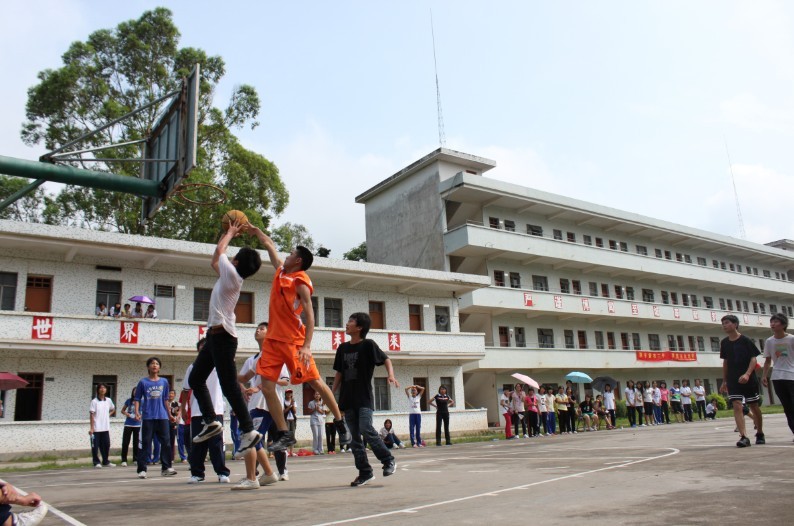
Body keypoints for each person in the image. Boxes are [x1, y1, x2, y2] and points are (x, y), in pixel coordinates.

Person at [245, 226, 352, 452]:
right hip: (273, 340)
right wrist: (256, 231)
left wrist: (307, 346)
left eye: (291, 253)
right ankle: (285, 433)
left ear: (298, 260)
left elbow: (310, 316)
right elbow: (270, 246)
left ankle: (340, 423)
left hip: (294, 340)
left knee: (314, 382)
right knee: (266, 386)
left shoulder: (300, 280)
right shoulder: (280, 272)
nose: (287, 255)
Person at [188, 220, 263, 454]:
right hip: (214, 338)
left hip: (223, 338)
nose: (228, 259)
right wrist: (226, 236)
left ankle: (249, 430)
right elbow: (215, 259)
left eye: (233, 258)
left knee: (230, 386)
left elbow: (220, 251)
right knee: (196, 380)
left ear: (236, 262)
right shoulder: (229, 275)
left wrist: (230, 232)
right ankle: (211, 421)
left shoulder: (231, 275)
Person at [331, 312, 399, 487]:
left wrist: (390, 375)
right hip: (347, 399)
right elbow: (339, 372)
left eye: (350, 321)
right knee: (354, 439)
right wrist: (332, 391)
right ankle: (365, 472)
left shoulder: (368, 345)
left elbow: (386, 359)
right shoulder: (343, 348)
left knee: (366, 429)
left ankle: (388, 460)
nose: (346, 324)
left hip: (364, 398)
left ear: (359, 327)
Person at [233, 321, 288, 490]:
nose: (258, 330)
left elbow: (285, 381)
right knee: (253, 439)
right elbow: (242, 378)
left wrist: (263, 385)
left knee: (251, 437)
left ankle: (253, 477)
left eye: (262, 328)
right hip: (255, 404)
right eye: (257, 328)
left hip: (268, 404)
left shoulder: (277, 355)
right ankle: (269, 474)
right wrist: (225, 365)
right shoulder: (253, 359)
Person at [184, 338, 231, 485]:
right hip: (197, 411)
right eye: (203, 347)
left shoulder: (219, 366)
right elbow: (185, 390)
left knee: (216, 443)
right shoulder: (192, 367)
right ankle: (197, 474)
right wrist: (182, 409)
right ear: (199, 351)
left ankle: (222, 472)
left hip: (215, 410)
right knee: (198, 443)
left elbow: (231, 383)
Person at [719, 314, 765, 447]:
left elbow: (753, 359)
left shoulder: (745, 340)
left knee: (754, 406)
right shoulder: (724, 343)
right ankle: (744, 436)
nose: (724, 325)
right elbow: (726, 362)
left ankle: (760, 432)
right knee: (737, 405)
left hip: (748, 378)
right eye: (723, 324)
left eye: (727, 323)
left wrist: (747, 374)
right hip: (733, 379)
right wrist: (724, 380)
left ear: (735, 324)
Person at [134, 356, 175, 478]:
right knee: (145, 443)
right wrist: (137, 412)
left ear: (159, 367)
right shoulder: (143, 382)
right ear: (148, 367)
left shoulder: (164, 382)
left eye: (157, 363)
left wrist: (169, 415)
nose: (155, 365)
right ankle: (142, 469)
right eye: (152, 363)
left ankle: (166, 467)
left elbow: (166, 400)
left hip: (162, 416)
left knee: (166, 443)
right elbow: (137, 399)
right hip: (148, 417)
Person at [762, 312, 794, 441]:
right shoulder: (769, 341)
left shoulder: (791, 339)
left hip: (792, 376)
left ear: (784, 325)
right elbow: (768, 360)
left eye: (776, 322)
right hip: (777, 377)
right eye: (771, 322)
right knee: (787, 407)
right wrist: (764, 376)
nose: (772, 324)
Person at [89, 383, 116, 468]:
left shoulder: (108, 400)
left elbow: (113, 409)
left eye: (104, 388)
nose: (102, 389)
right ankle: (96, 462)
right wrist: (92, 428)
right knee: (95, 446)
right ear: (98, 390)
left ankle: (106, 461)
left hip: (105, 427)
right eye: (101, 388)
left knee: (106, 444)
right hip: (96, 428)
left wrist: (108, 415)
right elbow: (92, 415)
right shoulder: (94, 401)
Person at [120, 387, 141, 467]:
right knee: (125, 442)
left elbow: (145, 411)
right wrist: (128, 414)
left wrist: (139, 416)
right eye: (134, 391)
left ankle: (135, 459)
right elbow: (122, 410)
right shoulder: (129, 401)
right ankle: (124, 460)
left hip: (137, 424)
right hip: (128, 424)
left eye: (137, 391)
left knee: (136, 443)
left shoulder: (142, 401)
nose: (135, 393)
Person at [308, 391, 326, 455]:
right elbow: (309, 411)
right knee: (316, 435)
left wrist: (318, 409)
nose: (317, 395)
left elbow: (323, 412)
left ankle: (321, 449)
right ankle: (315, 449)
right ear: (314, 395)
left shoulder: (322, 403)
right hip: (313, 420)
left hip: (320, 420)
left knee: (320, 435)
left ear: (320, 396)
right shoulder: (311, 403)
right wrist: (314, 409)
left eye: (318, 394)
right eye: (316, 394)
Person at [283, 390, 297, 457]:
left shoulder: (293, 402)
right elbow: (283, 412)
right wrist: (289, 406)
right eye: (287, 393)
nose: (289, 394)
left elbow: (294, 412)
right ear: (285, 394)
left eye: (290, 393)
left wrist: (293, 404)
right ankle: (286, 451)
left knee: (292, 435)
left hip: (292, 420)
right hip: (286, 420)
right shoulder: (283, 401)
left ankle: (291, 452)